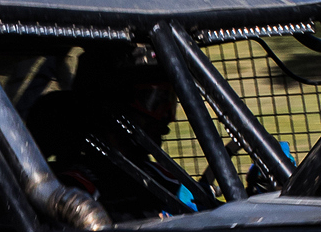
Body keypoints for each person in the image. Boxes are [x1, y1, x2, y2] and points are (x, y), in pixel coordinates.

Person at [26, 43, 213, 222]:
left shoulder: (162, 176)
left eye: (170, 102)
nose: (166, 117)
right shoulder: (69, 191)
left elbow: (208, 208)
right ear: (113, 106)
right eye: (154, 102)